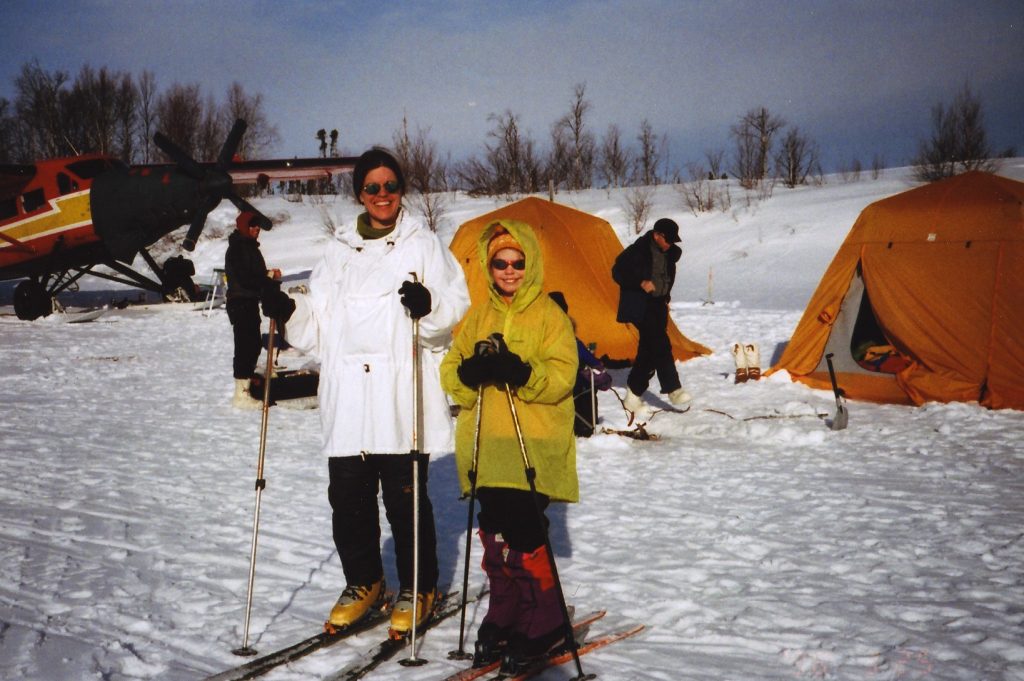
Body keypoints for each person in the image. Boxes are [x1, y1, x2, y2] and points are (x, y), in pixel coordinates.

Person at [260, 148, 470, 635]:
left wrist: (429, 304)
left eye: (390, 186)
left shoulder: (424, 244)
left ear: (401, 192)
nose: (382, 195)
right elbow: (316, 325)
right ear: (359, 193)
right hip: (349, 395)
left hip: (399, 395)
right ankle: (364, 581)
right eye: (372, 187)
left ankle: (420, 585)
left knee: (405, 500)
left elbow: (454, 308)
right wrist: (286, 308)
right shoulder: (337, 252)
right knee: (348, 501)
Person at [439, 221, 579, 672]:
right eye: (500, 262)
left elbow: (563, 375)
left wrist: (522, 372)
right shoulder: (479, 315)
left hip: (531, 442)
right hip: (487, 443)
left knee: (524, 527)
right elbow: (450, 366)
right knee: (494, 527)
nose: (510, 270)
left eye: (518, 262)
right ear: (489, 265)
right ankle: (508, 605)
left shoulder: (549, 316)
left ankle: (545, 612)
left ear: (531, 263)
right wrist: (465, 377)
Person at [611, 217, 691, 418]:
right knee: (660, 342)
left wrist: (666, 296)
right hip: (640, 304)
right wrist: (640, 281)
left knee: (649, 349)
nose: (670, 244)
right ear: (657, 235)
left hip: (658, 304)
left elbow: (665, 276)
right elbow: (617, 271)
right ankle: (673, 388)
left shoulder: (669, 253)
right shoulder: (638, 250)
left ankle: (633, 395)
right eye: (668, 240)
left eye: (673, 241)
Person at [224, 210, 281, 409]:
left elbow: (253, 274)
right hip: (240, 302)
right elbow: (245, 278)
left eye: (258, 226)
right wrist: (266, 279)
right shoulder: (238, 248)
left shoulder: (248, 247)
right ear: (243, 227)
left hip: (248, 301)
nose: (256, 229)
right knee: (245, 346)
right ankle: (241, 395)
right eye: (252, 225)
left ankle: (248, 384)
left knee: (254, 344)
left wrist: (267, 274)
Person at [548, 291, 613, 437]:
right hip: (569, 389)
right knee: (587, 382)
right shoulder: (572, 342)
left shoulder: (535, 337)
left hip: (543, 388)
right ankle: (585, 426)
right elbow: (596, 366)